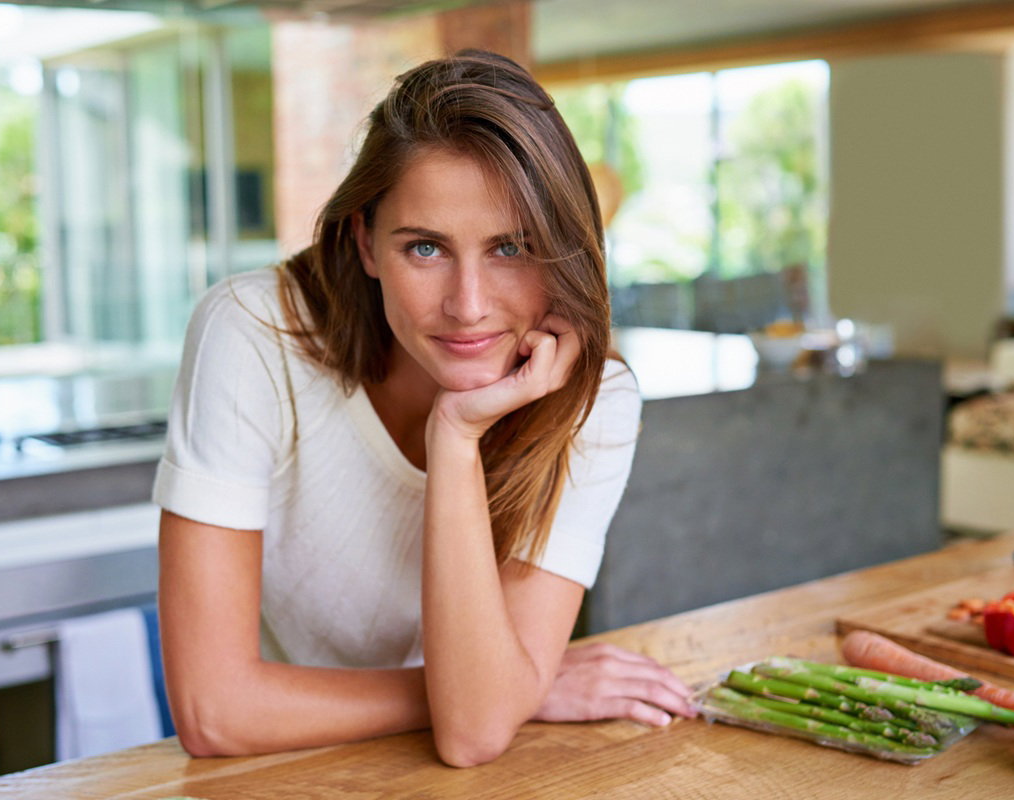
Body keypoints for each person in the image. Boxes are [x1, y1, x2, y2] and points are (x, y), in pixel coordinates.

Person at [154, 49, 695, 768]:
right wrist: (506, 691)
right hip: (274, 773)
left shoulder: (591, 402)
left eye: (511, 247)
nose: (468, 307)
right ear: (365, 242)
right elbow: (214, 712)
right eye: (426, 248)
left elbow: (472, 739)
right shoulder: (253, 334)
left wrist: (455, 433)